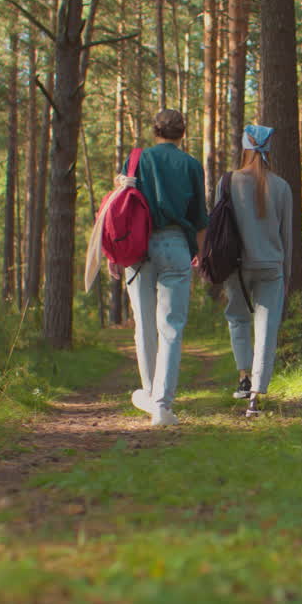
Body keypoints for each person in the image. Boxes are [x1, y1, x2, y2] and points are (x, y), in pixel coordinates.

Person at [123, 109, 208, 426]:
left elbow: (122, 206)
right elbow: (200, 215)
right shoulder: (191, 165)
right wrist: (198, 251)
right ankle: (161, 406)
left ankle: (147, 393)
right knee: (171, 327)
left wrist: (111, 255)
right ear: (182, 133)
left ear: (154, 130)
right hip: (175, 245)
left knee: (143, 325)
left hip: (137, 246)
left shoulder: (136, 160)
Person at [219, 124, 293, 418]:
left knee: (237, 320)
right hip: (271, 267)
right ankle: (256, 396)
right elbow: (287, 237)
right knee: (267, 329)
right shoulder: (282, 187)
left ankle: (243, 377)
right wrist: (285, 275)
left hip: (236, 266)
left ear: (245, 148)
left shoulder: (228, 181)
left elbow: (217, 229)